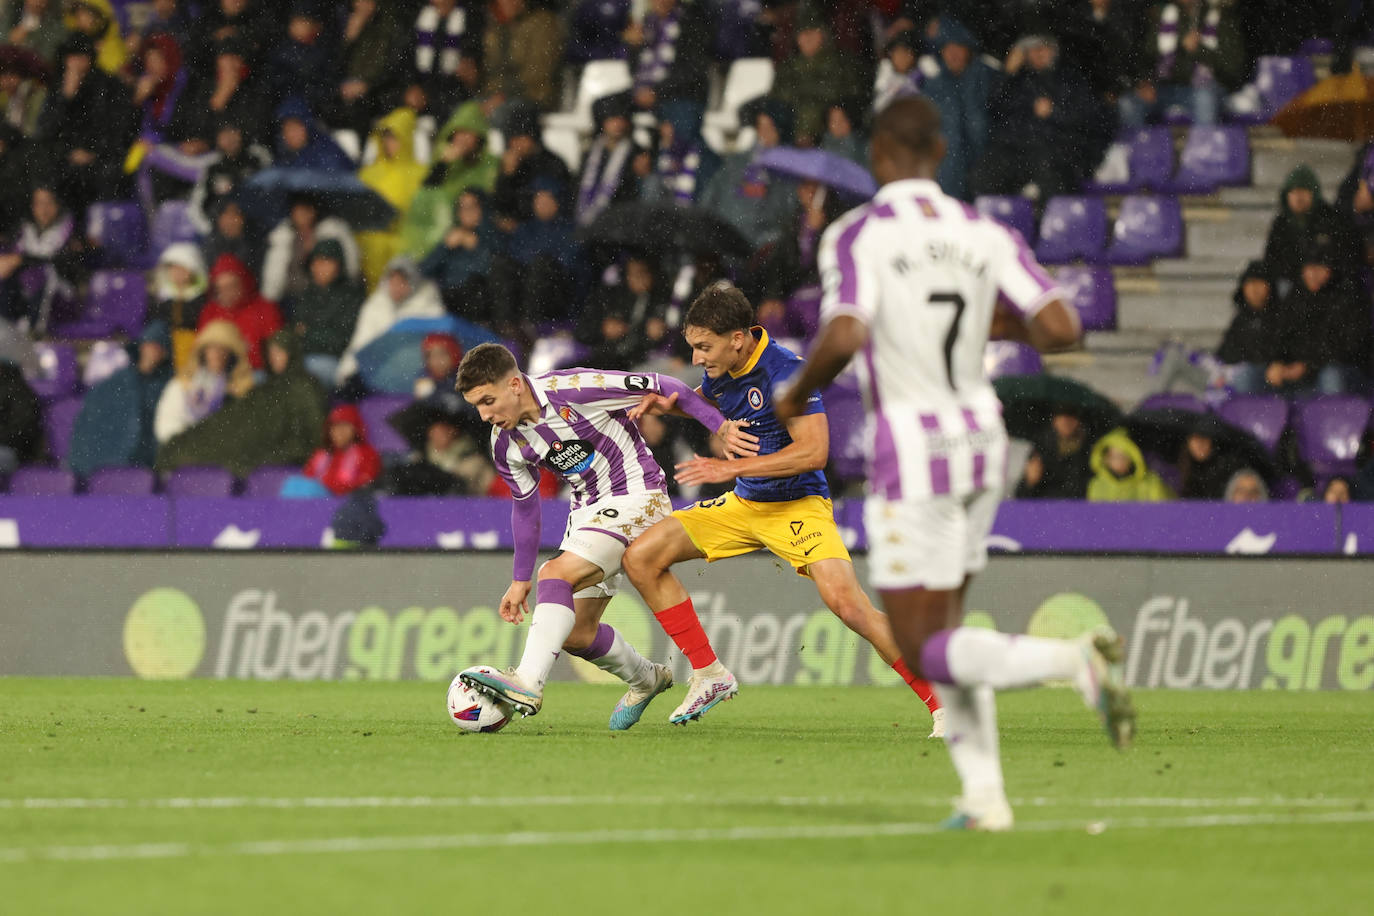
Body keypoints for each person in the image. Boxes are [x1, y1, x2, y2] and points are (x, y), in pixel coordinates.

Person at [774, 96, 1133, 832]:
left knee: (921, 641)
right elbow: (1062, 326)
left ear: (878, 157)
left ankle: (1073, 663)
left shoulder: (858, 233)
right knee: (950, 631)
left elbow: (843, 333)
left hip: (912, 448)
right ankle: (985, 799)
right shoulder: (983, 231)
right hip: (982, 442)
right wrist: (986, 316)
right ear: (939, 153)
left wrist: (794, 394)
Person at [621, 285, 947, 733]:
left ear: (737, 338)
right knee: (641, 557)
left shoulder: (787, 374)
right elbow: (713, 399)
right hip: (745, 503)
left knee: (850, 608)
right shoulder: (725, 368)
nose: (697, 358)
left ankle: (943, 703)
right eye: (694, 347)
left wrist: (725, 466)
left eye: (704, 347)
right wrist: (674, 408)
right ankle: (710, 674)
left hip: (798, 507)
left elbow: (814, 452)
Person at [453, 342, 758, 727]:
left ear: (515, 384)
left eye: (488, 400)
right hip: (587, 513)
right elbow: (526, 508)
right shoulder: (506, 443)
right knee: (575, 632)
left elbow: (661, 382)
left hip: (637, 495)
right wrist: (518, 580)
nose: (484, 415)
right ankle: (647, 678)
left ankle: (527, 682)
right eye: (477, 406)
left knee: (554, 574)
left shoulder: (575, 388)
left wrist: (721, 426)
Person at [69, 321, 174, 478]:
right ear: (141, 347)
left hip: (145, 462)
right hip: (107, 460)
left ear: (165, 353)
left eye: (158, 347)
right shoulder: (116, 382)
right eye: (149, 345)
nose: (152, 351)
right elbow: (91, 421)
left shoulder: (169, 386)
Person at [336, 255, 445, 384]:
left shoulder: (430, 309)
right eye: (392, 281)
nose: (396, 286)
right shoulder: (375, 306)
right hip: (378, 374)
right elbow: (361, 343)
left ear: (413, 282)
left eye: (402, 282)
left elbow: (437, 351)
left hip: (417, 376)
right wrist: (347, 372)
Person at [154, 317, 254, 443]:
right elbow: (166, 424)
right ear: (202, 351)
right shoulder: (182, 384)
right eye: (212, 348)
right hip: (185, 454)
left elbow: (245, 431)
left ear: (232, 354)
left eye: (222, 349)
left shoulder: (243, 389)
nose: (216, 354)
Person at [289, 238, 365, 388]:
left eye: (326, 262)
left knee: (309, 370)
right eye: (316, 262)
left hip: (338, 364)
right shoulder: (306, 295)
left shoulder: (352, 296)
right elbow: (294, 332)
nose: (319, 267)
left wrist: (307, 333)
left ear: (338, 265)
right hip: (303, 359)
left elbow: (342, 340)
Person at [197, 253, 283, 371]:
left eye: (231, 286)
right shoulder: (210, 312)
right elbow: (202, 349)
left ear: (243, 283)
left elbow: (276, 349)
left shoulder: (265, 309)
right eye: (220, 288)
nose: (225, 293)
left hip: (255, 373)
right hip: (218, 373)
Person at [303, 403, 382, 496]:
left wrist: (331, 485)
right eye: (335, 426)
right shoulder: (321, 453)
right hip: (319, 501)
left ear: (355, 429)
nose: (340, 431)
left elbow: (364, 482)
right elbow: (308, 477)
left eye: (345, 426)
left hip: (348, 502)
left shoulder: (367, 453)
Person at [1086, 428, 1173, 502]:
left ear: (1133, 457)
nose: (1119, 461)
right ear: (1105, 459)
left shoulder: (1151, 483)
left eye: (1124, 455)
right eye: (1114, 456)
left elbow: (1164, 512)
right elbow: (1094, 516)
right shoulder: (1097, 485)